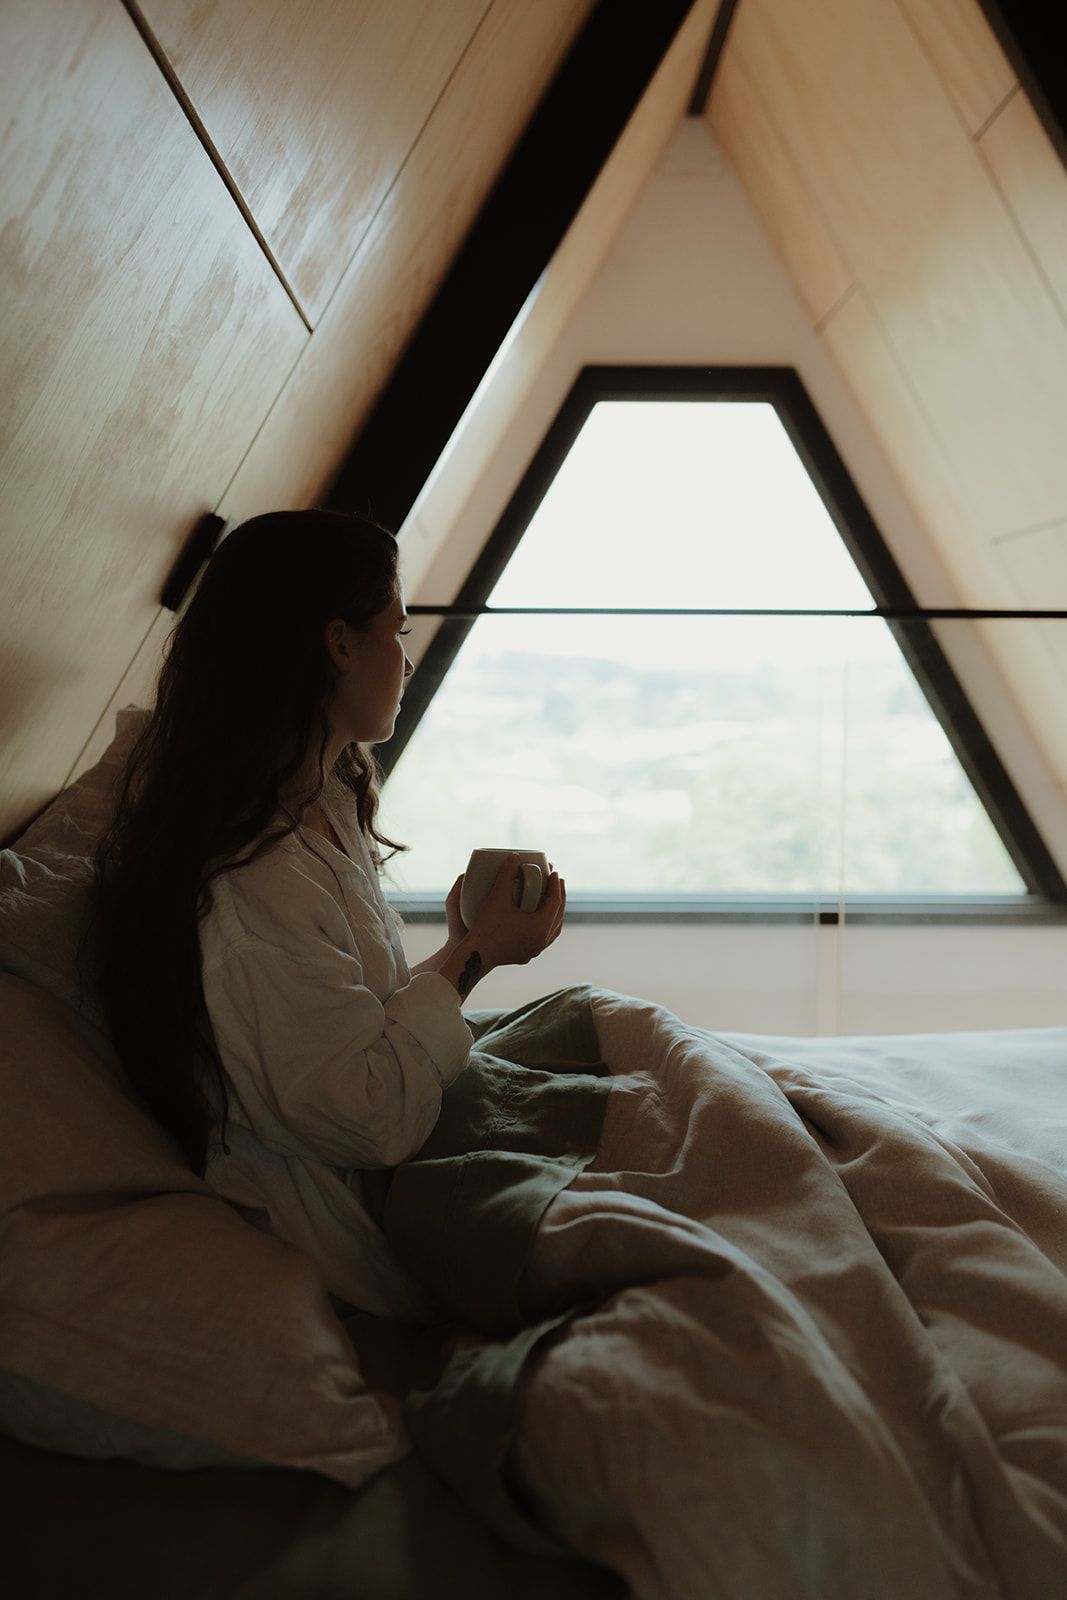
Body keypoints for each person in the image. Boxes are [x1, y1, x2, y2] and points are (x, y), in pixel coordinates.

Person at [93, 509, 566, 1317]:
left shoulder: (325, 797)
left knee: (616, 1037)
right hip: (363, 1203)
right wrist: (475, 955)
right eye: (398, 630)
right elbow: (368, 1112)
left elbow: (360, 1023)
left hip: (397, 1160)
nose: (407, 660)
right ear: (338, 643)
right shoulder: (253, 879)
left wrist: (460, 946)